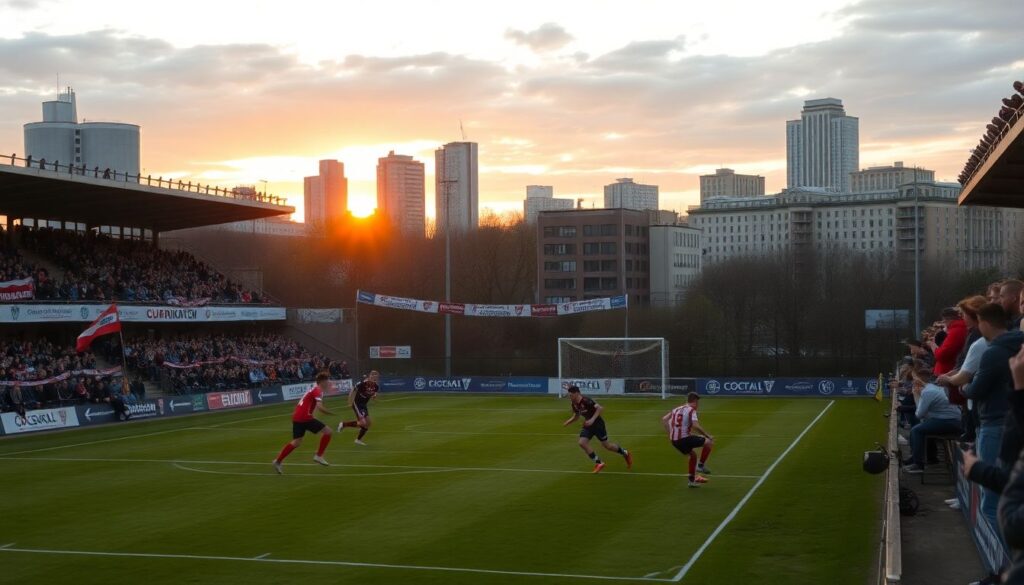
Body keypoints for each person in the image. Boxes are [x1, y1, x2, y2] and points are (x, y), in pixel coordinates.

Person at [272, 372, 334, 474]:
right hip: (305, 417)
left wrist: (313, 416)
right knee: (328, 432)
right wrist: (330, 412)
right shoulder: (317, 390)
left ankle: (277, 461)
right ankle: (319, 455)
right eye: (327, 381)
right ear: (322, 382)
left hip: (297, 417)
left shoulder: (314, 390)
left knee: (296, 442)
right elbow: (319, 407)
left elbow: (312, 405)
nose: (329, 383)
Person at [903, 367, 962, 473]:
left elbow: (919, 414)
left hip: (951, 422)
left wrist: (916, 395)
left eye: (914, 380)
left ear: (917, 381)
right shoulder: (932, 388)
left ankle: (918, 464)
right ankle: (920, 458)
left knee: (916, 430)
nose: (912, 383)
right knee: (921, 427)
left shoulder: (928, 392)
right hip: (952, 420)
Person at [562, 385, 632, 473]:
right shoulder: (574, 404)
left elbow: (600, 408)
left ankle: (625, 453)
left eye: (571, 395)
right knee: (582, 443)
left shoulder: (586, 400)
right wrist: (568, 422)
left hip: (598, 424)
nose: (569, 397)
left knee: (607, 446)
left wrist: (592, 420)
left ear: (576, 393)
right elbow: (576, 416)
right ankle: (599, 463)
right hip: (588, 425)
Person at [663, 392, 714, 488]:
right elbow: (695, 426)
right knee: (709, 442)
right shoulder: (691, 410)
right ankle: (701, 466)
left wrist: (671, 433)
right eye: (697, 402)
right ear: (695, 401)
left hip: (674, 441)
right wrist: (707, 435)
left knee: (693, 455)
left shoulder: (676, 409)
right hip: (684, 439)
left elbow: (664, 419)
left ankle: (691, 481)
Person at [338, 370, 379, 445]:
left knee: (368, 423)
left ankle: (358, 440)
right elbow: (353, 390)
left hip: (364, 405)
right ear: (369, 376)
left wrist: (374, 397)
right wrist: (349, 401)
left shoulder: (376, 386)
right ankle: (344, 424)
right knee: (363, 423)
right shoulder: (362, 383)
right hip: (357, 404)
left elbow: (374, 394)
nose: (374, 379)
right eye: (372, 376)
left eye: (375, 377)